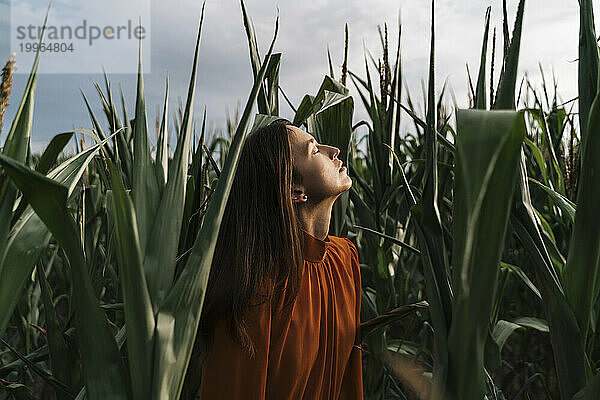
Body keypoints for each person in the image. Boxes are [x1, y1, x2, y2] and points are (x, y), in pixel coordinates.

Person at [182, 119, 363, 399]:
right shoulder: (254, 290)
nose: (334, 150)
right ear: (294, 190)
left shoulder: (345, 259)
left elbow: (349, 382)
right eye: (314, 151)